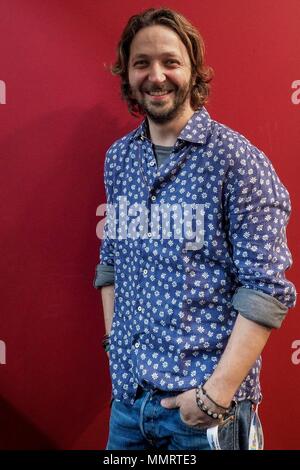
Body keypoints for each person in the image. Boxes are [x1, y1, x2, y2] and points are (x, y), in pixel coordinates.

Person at [93, 7, 296, 450]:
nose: (156, 75)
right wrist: (117, 351)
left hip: (204, 416)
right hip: (130, 408)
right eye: (142, 63)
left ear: (193, 70)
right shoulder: (119, 159)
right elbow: (110, 265)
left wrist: (213, 396)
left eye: (170, 61)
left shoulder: (236, 161)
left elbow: (266, 291)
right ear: (127, 74)